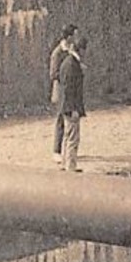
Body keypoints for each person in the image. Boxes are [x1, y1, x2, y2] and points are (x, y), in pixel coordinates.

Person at [48, 23, 78, 164]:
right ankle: (56, 151)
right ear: (69, 36)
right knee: (61, 118)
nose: (76, 38)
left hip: (69, 89)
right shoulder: (57, 53)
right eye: (75, 35)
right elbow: (53, 74)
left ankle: (67, 150)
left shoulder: (71, 50)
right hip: (60, 89)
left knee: (70, 119)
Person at [57, 35, 87, 173]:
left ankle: (65, 164)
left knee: (67, 136)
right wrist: (74, 108)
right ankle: (71, 167)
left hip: (66, 105)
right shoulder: (72, 64)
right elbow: (70, 89)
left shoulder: (68, 62)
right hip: (70, 107)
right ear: (80, 50)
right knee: (73, 138)